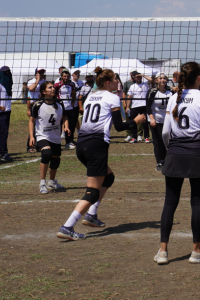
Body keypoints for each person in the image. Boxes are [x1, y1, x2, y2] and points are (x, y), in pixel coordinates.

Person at [57, 69, 146, 240]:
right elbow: (119, 127)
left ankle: (91, 215)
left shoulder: (92, 95)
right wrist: (136, 121)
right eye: (115, 80)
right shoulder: (112, 97)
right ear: (107, 82)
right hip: (96, 145)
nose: (117, 82)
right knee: (92, 192)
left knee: (109, 178)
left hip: (82, 143)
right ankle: (67, 226)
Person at [154, 62, 200, 265]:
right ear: (199, 78)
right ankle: (196, 252)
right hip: (197, 153)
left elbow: (165, 133)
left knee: (170, 203)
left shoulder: (173, 98)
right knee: (197, 203)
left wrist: (171, 149)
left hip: (175, 153)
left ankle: (163, 252)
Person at [29, 81, 69, 194]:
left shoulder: (59, 103)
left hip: (55, 136)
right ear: (43, 91)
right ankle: (42, 182)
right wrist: (32, 136)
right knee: (46, 153)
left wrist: (66, 127)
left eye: (53, 87)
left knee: (56, 158)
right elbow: (31, 121)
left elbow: (65, 117)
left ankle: (52, 181)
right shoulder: (38, 105)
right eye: (50, 87)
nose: (53, 89)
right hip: (42, 135)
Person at [147, 73, 172, 172]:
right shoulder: (152, 91)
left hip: (168, 120)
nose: (162, 80)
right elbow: (148, 106)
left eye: (164, 78)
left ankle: (167, 160)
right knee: (157, 141)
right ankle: (159, 162)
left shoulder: (170, 91)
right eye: (160, 78)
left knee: (167, 140)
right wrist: (152, 119)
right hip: (156, 119)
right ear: (157, 80)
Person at [54, 69, 79, 149]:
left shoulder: (71, 84)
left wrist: (73, 101)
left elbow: (74, 93)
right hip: (60, 108)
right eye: (64, 76)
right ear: (61, 76)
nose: (66, 77)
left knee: (70, 126)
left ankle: (68, 142)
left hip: (69, 108)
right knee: (59, 125)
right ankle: (57, 143)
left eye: (67, 76)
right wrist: (56, 103)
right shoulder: (57, 85)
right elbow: (53, 94)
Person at [125, 72, 151, 144]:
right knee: (134, 122)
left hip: (144, 106)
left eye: (139, 77)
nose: (138, 78)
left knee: (145, 123)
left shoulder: (145, 84)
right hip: (134, 107)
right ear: (134, 78)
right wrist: (127, 107)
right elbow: (129, 97)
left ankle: (146, 137)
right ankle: (134, 137)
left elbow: (151, 80)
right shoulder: (132, 86)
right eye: (137, 77)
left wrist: (142, 75)